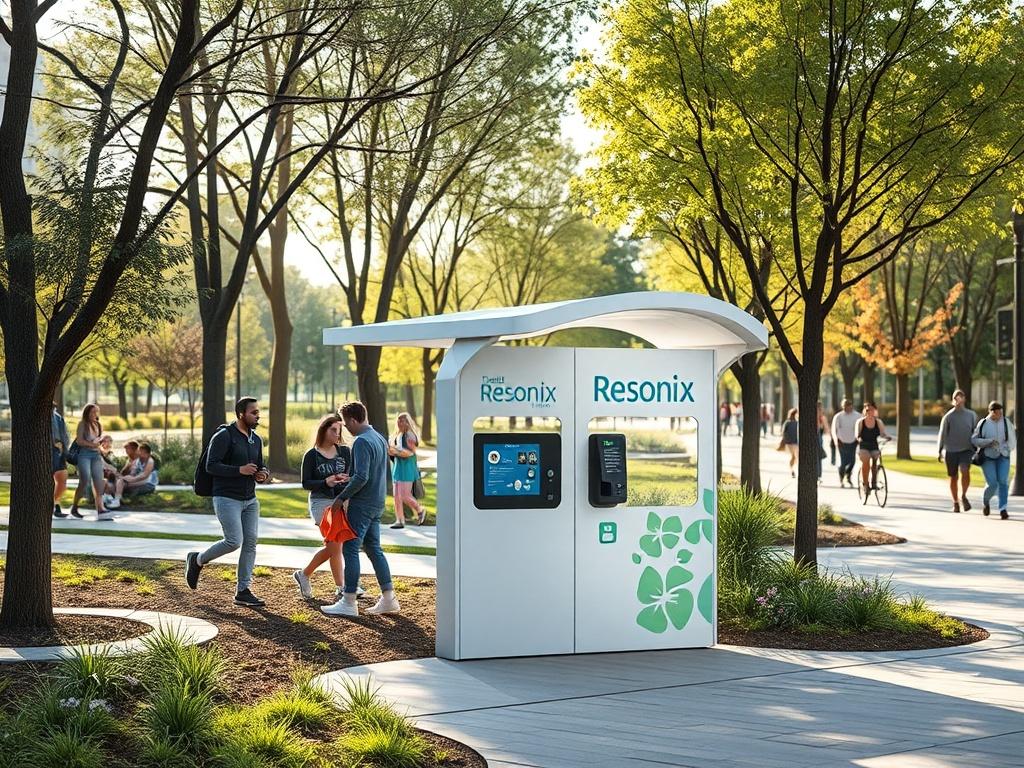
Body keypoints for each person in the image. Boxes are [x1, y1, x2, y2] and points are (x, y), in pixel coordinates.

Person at [184, 397, 270, 607]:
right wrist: (239, 470)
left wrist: (263, 474)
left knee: (250, 543)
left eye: (258, 412)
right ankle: (197, 559)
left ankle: (243, 591)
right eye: (253, 412)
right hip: (226, 497)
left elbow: (261, 465)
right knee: (234, 541)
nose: (257, 416)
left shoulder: (256, 439)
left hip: (250, 500)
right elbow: (211, 466)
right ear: (241, 414)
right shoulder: (224, 436)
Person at [321, 401, 399, 618]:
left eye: (346, 424)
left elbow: (362, 477)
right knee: (374, 548)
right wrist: (351, 479)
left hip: (362, 504)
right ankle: (389, 597)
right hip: (377, 502)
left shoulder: (362, 441)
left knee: (350, 549)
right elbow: (371, 473)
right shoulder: (379, 438)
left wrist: (341, 497)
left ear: (354, 420)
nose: (346, 428)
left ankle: (348, 601)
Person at [293, 414, 356, 600]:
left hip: (341, 501)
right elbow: (306, 483)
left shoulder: (344, 452)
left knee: (335, 546)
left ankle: (333, 584)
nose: (337, 434)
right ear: (324, 430)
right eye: (333, 430)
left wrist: (346, 479)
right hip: (321, 502)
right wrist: (325, 482)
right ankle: (309, 576)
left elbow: (352, 475)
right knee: (334, 545)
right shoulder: (311, 455)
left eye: (339, 430)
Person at [971, 401, 1016, 520]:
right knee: (992, 484)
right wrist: (988, 441)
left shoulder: (1006, 422)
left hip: (1003, 456)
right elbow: (974, 440)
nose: (1000, 415)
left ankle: (1003, 508)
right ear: (991, 412)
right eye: (998, 413)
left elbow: (1012, 439)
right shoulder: (984, 423)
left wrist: (1007, 449)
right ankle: (986, 501)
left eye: (1001, 412)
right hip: (987, 457)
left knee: (1003, 481)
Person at [936, 390, 978, 513]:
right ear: (953, 400)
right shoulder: (948, 417)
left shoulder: (971, 415)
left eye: (960, 397)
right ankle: (955, 502)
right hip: (951, 451)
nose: (958, 399)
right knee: (953, 477)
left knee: (965, 470)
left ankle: (963, 495)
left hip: (967, 449)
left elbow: (976, 432)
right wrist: (939, 450)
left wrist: (978, 447)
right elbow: (942, 434)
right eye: (956, 397)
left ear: (964, 399)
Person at [72, 404, 112, 521]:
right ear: (87, 413)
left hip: (96, 456)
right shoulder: (82, 424)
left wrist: (103, 445)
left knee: (99, 482)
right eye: (93, 412)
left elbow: (98, 442)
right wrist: (92, 444)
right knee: (84, 480)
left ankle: (100, 509)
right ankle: (75, 507)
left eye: (96, 412)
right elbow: (79, 441)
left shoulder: (98, 425)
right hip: (84, 455)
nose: (95, 414)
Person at [388, 412, 427, 528]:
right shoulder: (397, 435)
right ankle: (400, 520)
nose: (400, 423)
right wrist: (392, 451)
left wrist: (395, 451)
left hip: (407, 467)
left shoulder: (410, 435)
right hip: (398, 466)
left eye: (402, 420)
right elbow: (393, 451)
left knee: (405, 495)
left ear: (407, 422)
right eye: (399, 420)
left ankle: (420, 510)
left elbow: (410, 453)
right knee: (396, 496)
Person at [106, 441, 158, 509]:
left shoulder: (150, 461)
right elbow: (133, 473)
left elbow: (145, 475)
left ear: (146, 452)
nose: (138, 453)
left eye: (140, 451)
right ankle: (115, 500)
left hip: (148, 482)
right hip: (139, 480)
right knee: (120, 481)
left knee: (121, 482)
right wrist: (127, 477)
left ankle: (115, 500)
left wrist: (132, 479)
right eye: (138, 451)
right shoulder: (137, 461)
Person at [856, 402, 890, 493]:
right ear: (864, 411)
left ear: (874, 411)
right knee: (866, 461)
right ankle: (865, 484)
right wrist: (859, 438)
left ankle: (874, 482)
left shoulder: (878, 422)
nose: (869, 412)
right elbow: (857, 434)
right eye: (867, 410)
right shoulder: (860, 422)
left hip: (874, 445)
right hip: (864, 446)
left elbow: (882, 433)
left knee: (875, 459)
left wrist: (886, 437)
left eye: (871, 410)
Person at [831, 399, 860, 488]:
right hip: (841, 442)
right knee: (843, 462)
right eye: (845, 406)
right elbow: (834, 430)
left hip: (853, 442)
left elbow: (860, 428)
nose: (847, 408)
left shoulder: (857, 416)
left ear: (851, 406)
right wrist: (836, 440)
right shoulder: (838, 416)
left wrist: (858, 439)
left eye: (848, 406)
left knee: (852, 461)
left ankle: (848, 476)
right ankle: (841, 478)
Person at [52, 403, 71, 518]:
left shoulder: (58, 417)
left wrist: (64, 449)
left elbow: (65, 434)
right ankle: (55, 506)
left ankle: (56, 504)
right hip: (48, 450)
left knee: (62, 480)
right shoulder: (38, 416)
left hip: (59, 451)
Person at [781, 408, 799, 478]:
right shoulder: (788, 422)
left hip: (795, 442)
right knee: (794, 456)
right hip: (790, 442)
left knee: (795, 457)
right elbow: (783, 432)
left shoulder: (797, 422)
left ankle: (792, 470)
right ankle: (792, 470)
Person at [816, 401, 831, 483]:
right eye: (820, 408)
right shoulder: (819, 417)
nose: (821, 410)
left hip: (819, 439)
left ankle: (818, 475)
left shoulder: (822, 418)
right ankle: (817, 475)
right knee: (817, 456)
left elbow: (826, 429)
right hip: (817, 439)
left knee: (818, 456)